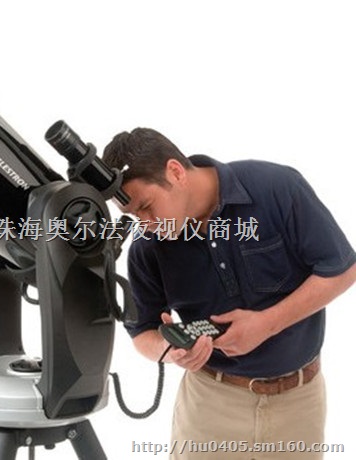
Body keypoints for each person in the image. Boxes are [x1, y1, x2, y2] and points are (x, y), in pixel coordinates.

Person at [102, 127, 356, 459]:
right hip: (209, 405)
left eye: (147, 206)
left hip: (299, 403)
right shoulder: (147, 247)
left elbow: (342, 268)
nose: (146, 223)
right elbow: (142, 332)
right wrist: (170, 351)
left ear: (175, 171)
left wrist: (267, 324)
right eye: (133, 215)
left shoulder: (276, 188)